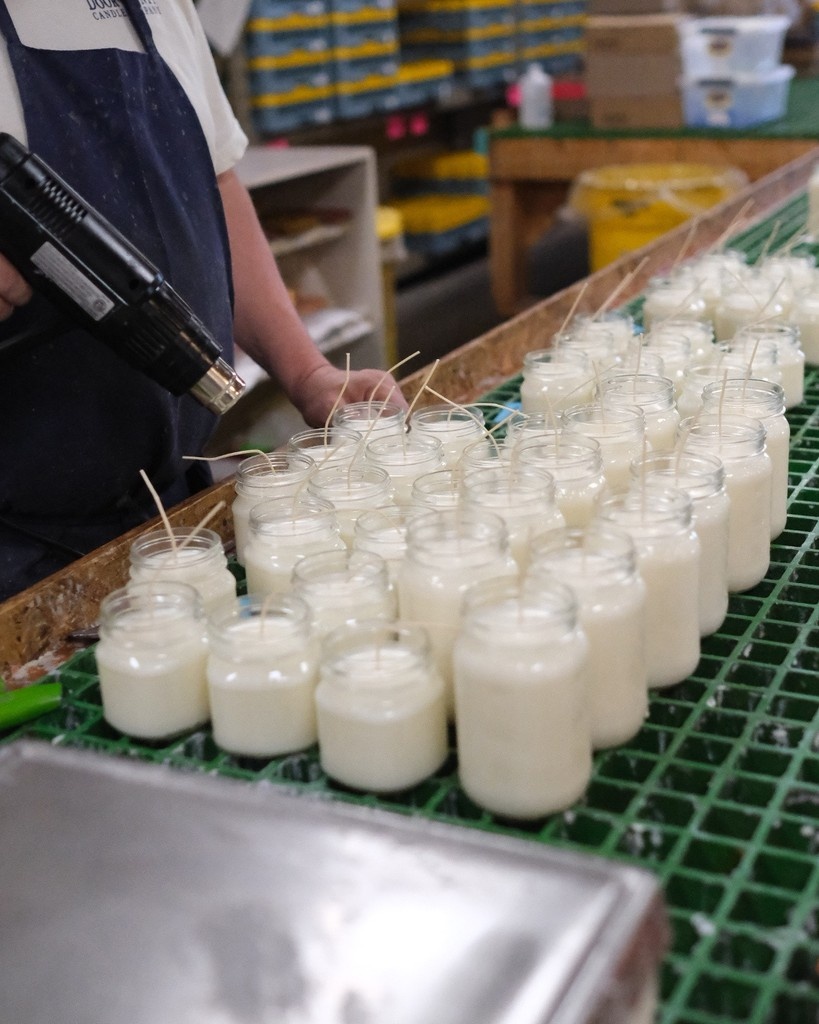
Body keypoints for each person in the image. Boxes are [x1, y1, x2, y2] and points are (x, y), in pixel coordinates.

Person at [0, 0, 405, 602]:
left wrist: (308, 371)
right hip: (18, 547)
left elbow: (216, 185)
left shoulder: (163, 8)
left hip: (168, 513)